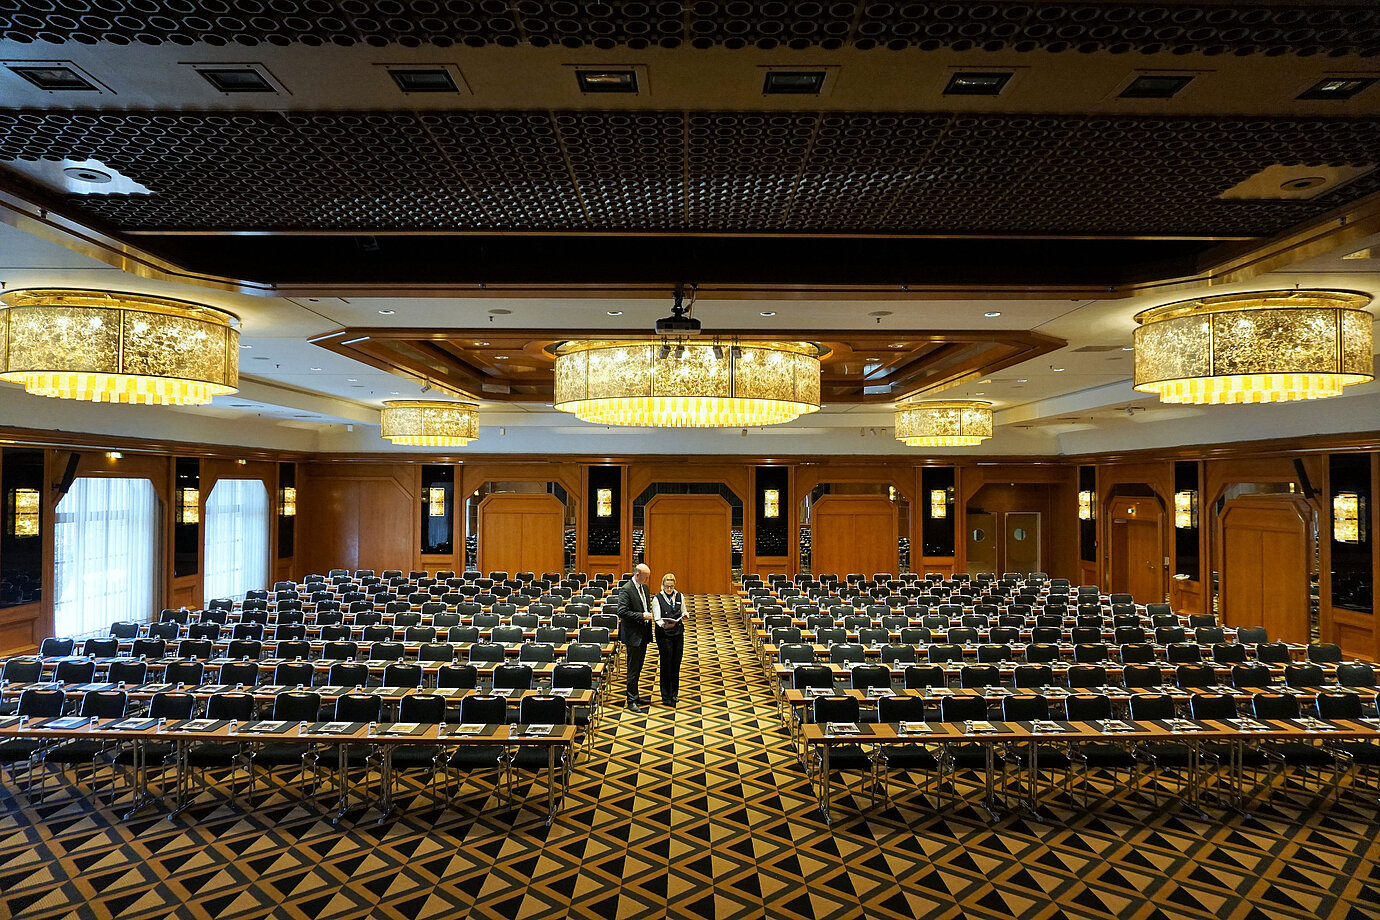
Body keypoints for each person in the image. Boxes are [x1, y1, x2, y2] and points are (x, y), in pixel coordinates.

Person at [615, 563, 654, 712]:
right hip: (632, 635)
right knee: (632, 669)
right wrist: (641, 616)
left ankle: (635, 696)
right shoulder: (626, 589)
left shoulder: (644, 588)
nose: (647, 580)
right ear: (637, 575)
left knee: (638, 668)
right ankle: (631, 700)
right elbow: (622, 612)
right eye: (645, 577)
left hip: (643, 634)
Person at [652, 572, 687, 706]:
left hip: (677, 633)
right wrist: (664, 624)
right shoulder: (657, 598)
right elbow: (657, 618)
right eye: (667, 586)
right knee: (666, 664)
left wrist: (685, 614)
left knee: (676, 663)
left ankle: (674, 693)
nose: (669, 589)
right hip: (664, 634)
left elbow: (683, 610)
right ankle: (665, 695)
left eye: (671, 586)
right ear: (662, 585)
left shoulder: (679, 596)